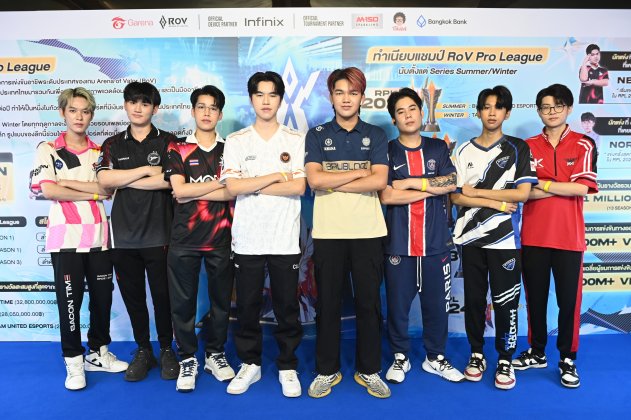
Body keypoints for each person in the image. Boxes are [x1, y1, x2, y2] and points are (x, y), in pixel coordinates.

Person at [29, 87, 128, 390]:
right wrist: (92, 190)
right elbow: (48, 189)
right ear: (63, 113)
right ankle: (74, 361)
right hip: (65, 239)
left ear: (91, 115)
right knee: (70, 303)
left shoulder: (101, 152)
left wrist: (70, 185)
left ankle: (98, 354)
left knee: (102, 300)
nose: (79, 117)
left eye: (85, 111)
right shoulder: (48, 148)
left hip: (98, 236)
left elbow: (107, 190)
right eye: (73, 110)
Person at [305, 67, 391, 399]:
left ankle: (369, 370)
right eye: (339, 92)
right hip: (329, 232)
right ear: (331, 96)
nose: (346, 99)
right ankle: (327, 370)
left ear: (362, 97)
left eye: (353, 93)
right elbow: (315, 181)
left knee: (369, 304)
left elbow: (379, 180)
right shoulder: (317, 135)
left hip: (368, 231)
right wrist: (359, 173)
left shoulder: (376, 134)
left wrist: (334, 178)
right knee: (327, 304)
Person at [220, 71, 305, 397]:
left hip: (284, 237)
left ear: (280, 99)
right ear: (251, 98)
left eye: (272, 95)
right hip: (248, 238)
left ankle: (287, 365)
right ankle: (250, 364)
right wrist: (274, 176)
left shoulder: (294, 139)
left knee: (287, 307)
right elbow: (233, 186)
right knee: (247, 306)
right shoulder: (237, 140)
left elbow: (298, 186)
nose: (266, 101)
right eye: (260, 94)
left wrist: (252, 184)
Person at [450, 85, 537, 390]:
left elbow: (522, 193)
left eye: (498, 107)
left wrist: (476, 192)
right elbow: (456, 197)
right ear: (478, 111)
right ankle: (476, 353)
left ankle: (504, 358)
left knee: (506, 301)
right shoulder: (463, 150)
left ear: (507, 113)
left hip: (505, 240)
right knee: (474, 300)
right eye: (486, 107)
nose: (491, 112)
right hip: (470, 238)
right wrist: (496, 201)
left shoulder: (517, 148)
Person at [513, 84, 598, 389]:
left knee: (568, 303)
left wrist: (545, 185)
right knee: (534, 300)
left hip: (568, 239)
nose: (552, 112)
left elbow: (582, 188)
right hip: (533, 237)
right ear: (538, 111)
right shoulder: (527, 146)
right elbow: (523, 193)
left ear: (569, 108)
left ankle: (567, 358)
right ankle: (537, 352)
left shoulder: (583, 144)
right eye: (546, 107)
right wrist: (561, 186)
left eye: (558, 106)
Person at [380, 88, 464, 385]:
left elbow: (451, 183)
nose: (408, 115)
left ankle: (435, 357)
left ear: (421, 112)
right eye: (400, 111)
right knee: (397, 307)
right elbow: (387, 195)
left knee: (437, 306)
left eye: (412, 109)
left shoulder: (438, 148)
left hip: (435, 243)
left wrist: (409, 183)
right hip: (399, 244)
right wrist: (429, 188)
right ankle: (400, 356)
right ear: (394, 119)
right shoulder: (387, 151)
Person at [96, 81, 179, 382]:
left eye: (145, 103)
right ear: (125, 105)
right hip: (123, 237)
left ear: (155, 109)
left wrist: (124, 178)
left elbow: (169, 181)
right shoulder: (112, 144)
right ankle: (144, 349)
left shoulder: (169, 141)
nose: (138, 108)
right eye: (133, 102)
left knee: (162, 297)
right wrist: (144, 170)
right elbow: (104, 181)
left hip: (160, 234)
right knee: (134, 298)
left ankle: (167, 349)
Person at [164, 85, 235, 392]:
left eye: (213, 108)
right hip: (184, 239)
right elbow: (179, 190)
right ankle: (188, 358)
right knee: (182, 304)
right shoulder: (177, 148)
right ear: (193, 111)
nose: (207, 113)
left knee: (221, 303)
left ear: (220, 114)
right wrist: (218, 185)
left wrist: (195, 190)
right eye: (201, 107)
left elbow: (232, 192)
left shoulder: (231, 149)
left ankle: (215, 354)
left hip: (222, 238)